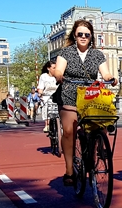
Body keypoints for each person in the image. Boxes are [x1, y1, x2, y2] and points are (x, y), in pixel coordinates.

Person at [54, 19, 117, 187]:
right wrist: (59, 75)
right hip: (69, 93)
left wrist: (111, 78)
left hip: (90, 94)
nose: (83, 37)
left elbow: (105, 73)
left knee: (100, 121)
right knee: (68, 131)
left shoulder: (97, 54)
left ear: (91, 37)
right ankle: (69, 170)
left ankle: (98, 146)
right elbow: (59, 69)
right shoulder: (66, 52)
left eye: (86, 35)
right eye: (80, 34)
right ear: (74, 35)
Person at [37, 60, 59, 133]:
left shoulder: (58, 76)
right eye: (53, 68)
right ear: (48, 68)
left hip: (57, 95)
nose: (55, 69)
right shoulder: (43, 77)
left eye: (56, 68)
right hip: (47, 96)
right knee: (46, 106)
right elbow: (40, 88)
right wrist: (40, 93)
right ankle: (47, 125)